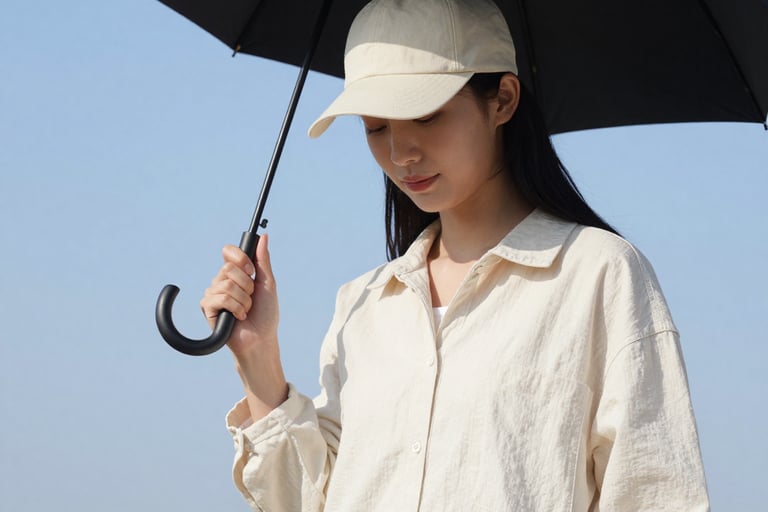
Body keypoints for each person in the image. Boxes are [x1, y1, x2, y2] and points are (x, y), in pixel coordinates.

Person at [200, 0, 710, 510]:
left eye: (425, 116)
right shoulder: (363, 304)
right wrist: (257, 357)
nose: (401, 152)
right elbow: (311, 501)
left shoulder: (598, 274)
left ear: (502, 100)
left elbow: (653, 492)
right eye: (375, 127)